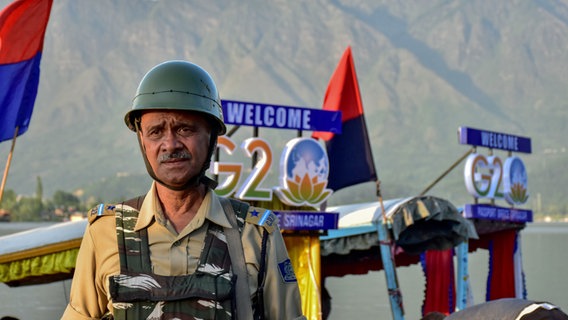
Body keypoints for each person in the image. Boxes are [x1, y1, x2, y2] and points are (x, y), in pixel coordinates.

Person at [61, 60, 306, 319]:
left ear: (211, 136)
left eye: (184, 129)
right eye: (156, 131)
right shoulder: (105, 232)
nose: (170, 144)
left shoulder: (255, 234)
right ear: (142, 140)